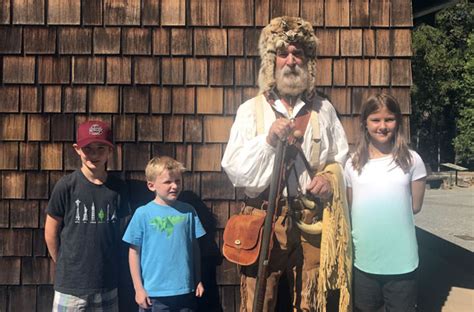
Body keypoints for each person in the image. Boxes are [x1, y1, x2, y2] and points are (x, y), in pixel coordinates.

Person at [221, 16, 352, 312]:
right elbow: (236, 170)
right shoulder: (250, 111)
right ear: (272, 61)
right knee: (259, 303)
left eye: (298, 53)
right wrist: (267, 141)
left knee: (311, 303)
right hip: (264, 219)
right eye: (283, 53)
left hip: (311, 222)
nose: (291, 60)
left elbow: (340, 158)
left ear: (307, 61)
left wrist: (331, 180)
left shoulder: (324, 110)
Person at [344, 93, 427, 312]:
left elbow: (414, 206)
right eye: (375, 120)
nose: (382, 126)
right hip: (364, 262)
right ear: (365, 123)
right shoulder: (352, 164)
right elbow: (352, 208)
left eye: (388, 119)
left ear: (398, 121)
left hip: (402, 263)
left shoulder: (412, 160)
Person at [44, 120, 130, 311]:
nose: (94, 154)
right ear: (77, 149)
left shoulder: (118, 189)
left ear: (110, 151)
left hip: (107, 282)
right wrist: (63, 262)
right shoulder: (66, 186)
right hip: (71, 287)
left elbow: (123, 233)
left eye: (101, 148)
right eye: (88, 148)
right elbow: (51, 230)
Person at [122, 156, 206, 312]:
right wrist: (138, 289)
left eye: (178, 181)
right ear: (151, 185)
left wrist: (197, 279)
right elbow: (134, 252)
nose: (174, 186)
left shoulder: (188, 211)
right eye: (168, 182)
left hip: (185, 292)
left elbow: (194, 248)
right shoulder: (143, 214)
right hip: (154, 295)